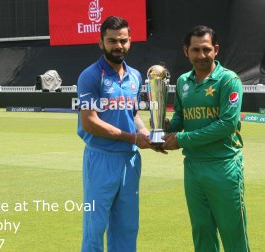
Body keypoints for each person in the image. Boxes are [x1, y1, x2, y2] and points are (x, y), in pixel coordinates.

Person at [77, 16, 163, 252]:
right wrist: (133, 138)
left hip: (130, 160)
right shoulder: (91, 76)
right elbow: (90, 122)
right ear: (100, 42)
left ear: (130, 41)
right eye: (112, 41)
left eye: (123, 40)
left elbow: (133, 115)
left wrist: (147, 135)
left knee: (126, 227)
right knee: (94, 228)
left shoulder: (135, 76)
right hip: (101, 159)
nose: (118, 46)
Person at [162, 25, 250, 252]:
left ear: (216, 50)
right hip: (193, 167)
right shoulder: (183, 81)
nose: (201, 55)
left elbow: (227, 124)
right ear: (186, 51)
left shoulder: (228, 80)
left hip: (223, 166)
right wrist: (165, 127)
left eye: (206, 49)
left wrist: (181, 139)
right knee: (201, 230)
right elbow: (181, 117)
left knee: (233, 233)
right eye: (195, 50)